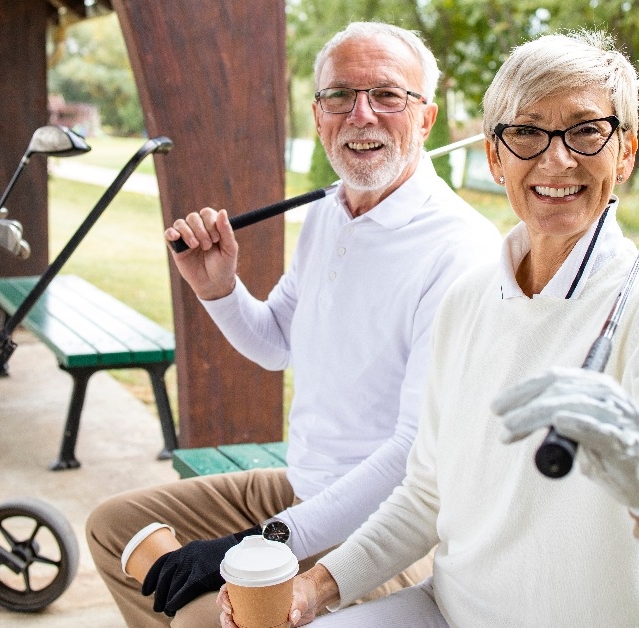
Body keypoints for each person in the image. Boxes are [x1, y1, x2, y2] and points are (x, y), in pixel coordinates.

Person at [223, 29, 639, 627]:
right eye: (526, 131)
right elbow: (423, 496)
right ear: (494, 157)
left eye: (585, 130)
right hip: (448, 611)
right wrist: (315, 588)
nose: (557, 157)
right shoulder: (468, 297)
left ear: (624, 153)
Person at [86, 21, 502, 627]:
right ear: (318, 113)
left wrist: (257, 542)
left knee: (203, 619)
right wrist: (219, 289)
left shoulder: (459, 252)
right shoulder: (329, 214)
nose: (361, 114)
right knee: (112, 529)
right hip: (301, 489)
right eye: (340, 96)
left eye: (387, 95)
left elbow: (414, 457)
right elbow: (276, 342)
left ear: (426, 117)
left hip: (383, 528)